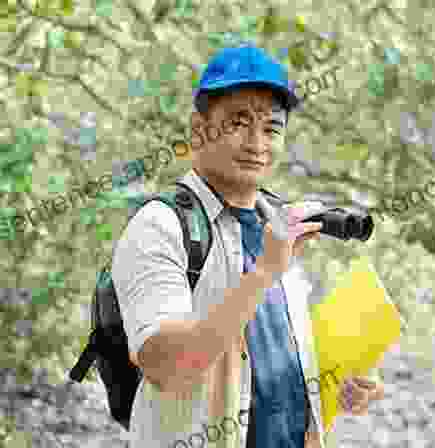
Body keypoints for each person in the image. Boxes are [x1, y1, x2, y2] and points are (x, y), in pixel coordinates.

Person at [111, 44, 384, 448]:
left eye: (272, 128)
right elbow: (166, 367)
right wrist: (263, 273)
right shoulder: (160, 226)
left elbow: (272, 355)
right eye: (239, 122)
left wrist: (342, 383)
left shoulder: (277, 222)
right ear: (198, 128)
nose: (257, 142)